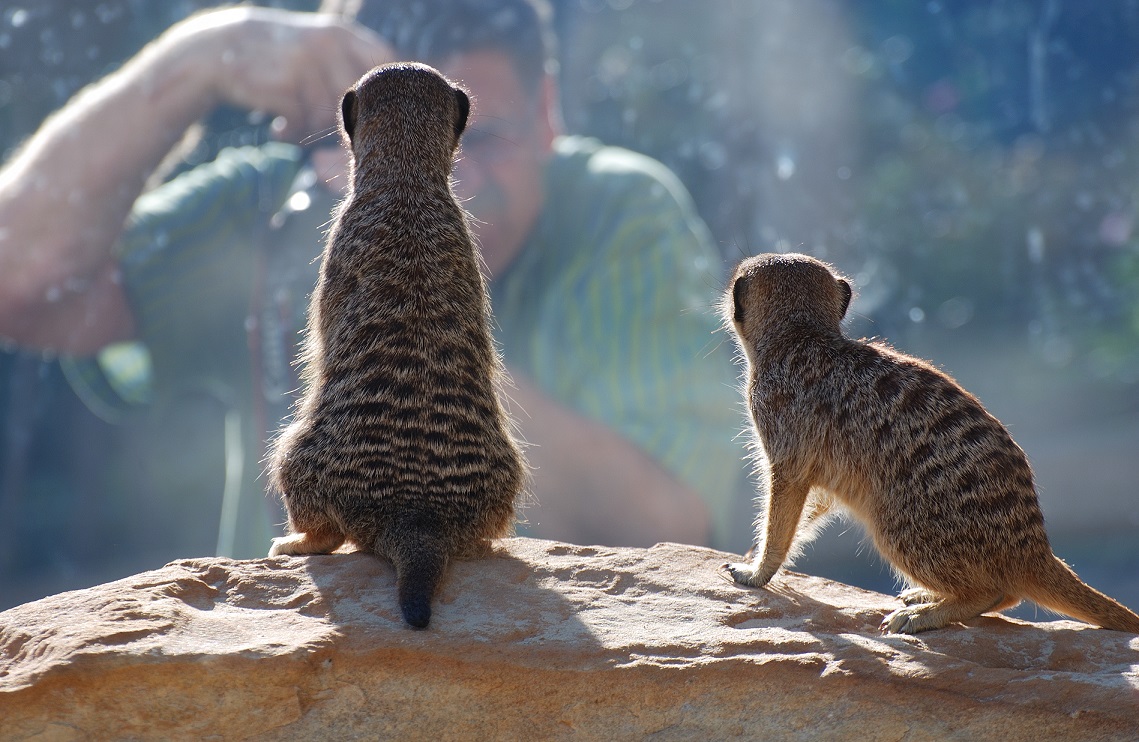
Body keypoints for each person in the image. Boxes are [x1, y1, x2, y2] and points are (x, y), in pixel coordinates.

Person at [0, 0, 746, 565]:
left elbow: (669, 529)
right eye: (399, 138)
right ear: (344, 134)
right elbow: (16, 283)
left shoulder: (618, 210)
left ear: (549, 112)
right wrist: (199, 60)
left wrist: (405, 285)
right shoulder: (273, 203)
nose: (461, 178)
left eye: (478, 136)